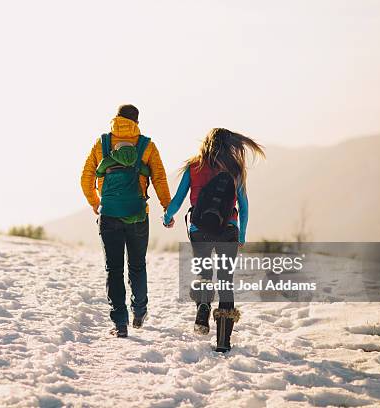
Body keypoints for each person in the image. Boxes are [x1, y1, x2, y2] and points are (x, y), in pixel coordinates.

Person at [163, 128, 265, 352]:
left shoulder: (193, 166)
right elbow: (244, 207)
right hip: (228, 229)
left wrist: (167, 216)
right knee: (226, 281)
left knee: (205, 274)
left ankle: (203, 305)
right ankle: (222, 341)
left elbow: (178, 199)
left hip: (199, 230)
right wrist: (241, 234)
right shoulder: (235, 170)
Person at [81, 104, 171, 338]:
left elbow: (86, 177)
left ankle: (120, 323)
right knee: (137, 265)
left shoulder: (101, 144)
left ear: (116, 119)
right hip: (138, 215)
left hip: (109, 214)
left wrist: (95, 202)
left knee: (114, 269)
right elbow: (159, 177)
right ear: (136, 122)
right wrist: (167, 207)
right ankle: (139, 311)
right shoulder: (147, 145)